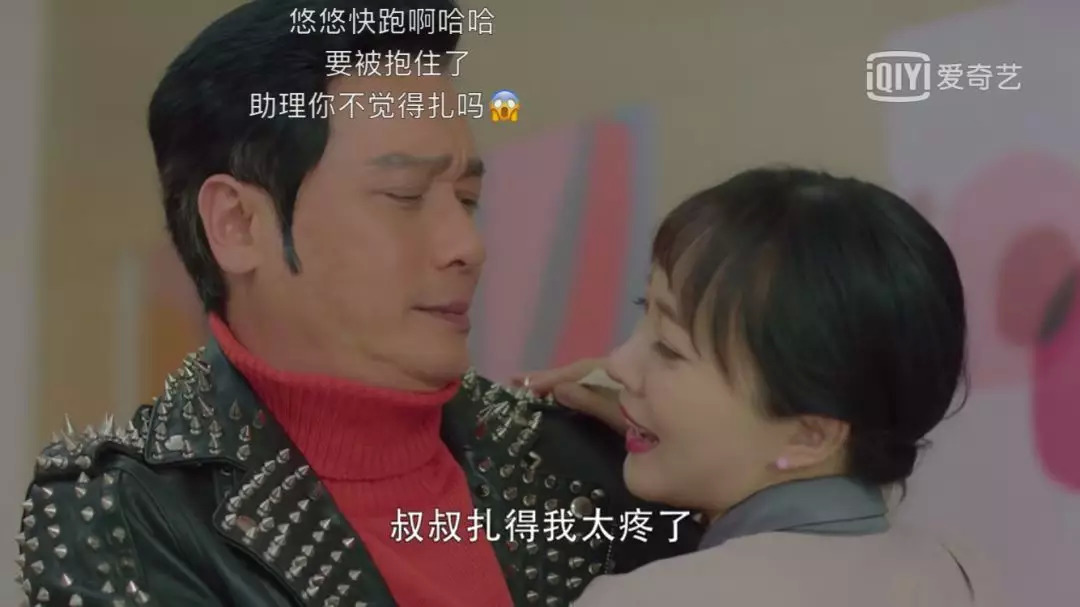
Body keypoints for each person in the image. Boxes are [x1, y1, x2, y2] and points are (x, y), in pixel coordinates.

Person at [13, 2, 701, 605]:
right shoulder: (125, 509)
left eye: (467, 200)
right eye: (405, 197)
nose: (467, 245)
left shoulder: (579, 460)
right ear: (238, 224)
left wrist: (704, 452)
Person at [527, 167, 1000, 606]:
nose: (618, 364)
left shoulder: (647, 599)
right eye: (642, 307)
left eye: (669, 347)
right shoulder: (962, 574)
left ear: (810, 435)